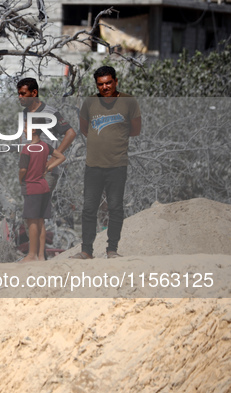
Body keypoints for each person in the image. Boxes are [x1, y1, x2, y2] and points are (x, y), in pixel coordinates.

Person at [71, 65, 141, 259]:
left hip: (117, 165)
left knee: (115, 207)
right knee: (89, 208)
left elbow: (136, 130)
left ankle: (112, 250)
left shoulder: (128, 101)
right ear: (96, 85)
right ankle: (86, 250)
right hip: (93, 166)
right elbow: (84, 128)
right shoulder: (90, 102)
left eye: (109, 82)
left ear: (116, 82)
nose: (105, 87)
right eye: (101, 84)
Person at [17, 77, 76, 258]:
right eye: (18, 93)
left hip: (44, 173)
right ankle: (38, 256)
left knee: (36, 215)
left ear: (34, 93)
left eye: (23, 94)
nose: (19, 97)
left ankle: (36, 256)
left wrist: (52, 159)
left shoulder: (49, 112)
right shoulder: (25, 114)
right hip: (29, 171)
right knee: (34, 215)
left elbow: (70, 132)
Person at [19, 128, 66, 261]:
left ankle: (31, 254)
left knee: (32, 221)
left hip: (31, 187)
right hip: (44, 186)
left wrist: (20, 179)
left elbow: (23, 169)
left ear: (33, 130)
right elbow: (62, 157)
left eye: (26, 127)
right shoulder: (45, 146)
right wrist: (48, 167)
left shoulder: (27, 148)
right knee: (41, 221)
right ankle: (40, 255)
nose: (23, 130)